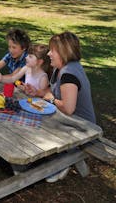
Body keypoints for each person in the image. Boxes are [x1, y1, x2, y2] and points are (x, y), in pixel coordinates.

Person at [26, 31, 96, 182]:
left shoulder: (69, 74)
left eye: (53, 50)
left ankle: (63, 159)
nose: (49, 54)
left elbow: (69, 108)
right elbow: (53, 91)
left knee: (35, 122)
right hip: (67, 120)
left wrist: (50, 100)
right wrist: (39, 92)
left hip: (82, 126)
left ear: (64, 52)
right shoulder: (60, 67)